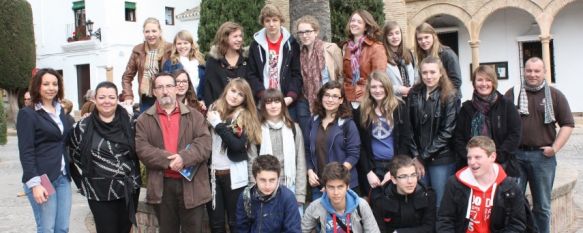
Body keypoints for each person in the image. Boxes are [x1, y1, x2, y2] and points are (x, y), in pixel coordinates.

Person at [504, 57, 574, 233]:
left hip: (543, 158)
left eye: (537, 71)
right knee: (513, 203)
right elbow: (501, 122)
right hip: (516, 157)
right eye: (529, 70)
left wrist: (555, 148)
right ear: (524, 71)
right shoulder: (513, 94)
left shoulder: (555, 95)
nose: (532, 74)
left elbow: (567, 124)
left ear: (544, 72)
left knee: (542, 206)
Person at [135, 72, 212, 233]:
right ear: (154, 91)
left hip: (192, 185)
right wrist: (169, 160)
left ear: (176, 89)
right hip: (162, 186)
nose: (165, 91)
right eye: (160, 87)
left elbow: (205, 144)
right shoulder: (144, 119)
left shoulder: (195, 116)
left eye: (169, 86)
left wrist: (183, 158)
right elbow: (142, 149)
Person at [68, 81, 141, 233]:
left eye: (111, 97)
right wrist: (97, 171)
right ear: (94, 99)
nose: (107, 101)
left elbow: (137, 154)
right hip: (98, 190)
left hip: (128, 189)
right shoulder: (82, 127)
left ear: (117, 99)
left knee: (125, 229)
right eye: (102, 97)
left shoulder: (131, 123)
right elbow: (74, 154)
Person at [17, 68, 73, 233]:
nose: (51, 88)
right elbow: (26, 151)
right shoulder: (28, 114)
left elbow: (64, 140)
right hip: (42, 179)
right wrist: (34, 184)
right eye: (46, 84)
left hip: (63, 177)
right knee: (47, 228)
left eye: (55, 84)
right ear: (37, 86)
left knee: (62, 228)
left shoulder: (60, 111)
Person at [437, 136, 527, 232]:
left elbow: (517, 225)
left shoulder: (510, 187)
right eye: (469, 158)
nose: (472, 162)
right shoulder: (455, 183)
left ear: (492, 157)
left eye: (477, 157)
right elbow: (445, 220)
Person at [206, 78, 261, 233]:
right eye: (233, 91)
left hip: (234, 175)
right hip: (213, 174)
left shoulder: (242, 116)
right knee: (216, 223)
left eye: (241, 94)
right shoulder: (214, 109)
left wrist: (218, 124)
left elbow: (236, 145)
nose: (235, 96)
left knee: (235, 222)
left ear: (245, 98)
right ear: (226, 90)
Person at [408, 56, 459, 208]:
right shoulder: (414, 93)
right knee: (421, 202)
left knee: (440, 203)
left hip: (441, 159)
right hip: (418, 158)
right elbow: (408, 127)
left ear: (441, 73)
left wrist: (422, 157)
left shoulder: (449, 95)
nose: (428, 76)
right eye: (425, 73)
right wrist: (416, 156)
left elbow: (447, 131)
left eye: (432, 72)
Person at [354, 71, 416, 195]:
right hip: (373, 166)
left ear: (387, 87)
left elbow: (405, 140)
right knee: (375, 205)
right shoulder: (361, 111)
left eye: (381, 86)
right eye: (374, 87)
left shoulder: (399, 108)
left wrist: (394, 170)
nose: (378, 90)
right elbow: (359, 145)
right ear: (369, 89)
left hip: (395, 164)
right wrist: (368, 172)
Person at [246, 4, 305, 130]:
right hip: (264, 101)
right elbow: (251, 74)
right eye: (267, 20)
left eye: (275, 20)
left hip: (287, 101)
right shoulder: (255, 45)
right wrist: (262, 94)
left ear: (281, 21)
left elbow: (296, 73)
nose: (271, 24)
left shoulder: (291, 43)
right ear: (263, 22)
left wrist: (291, 96)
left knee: (291, 135)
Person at [454, 65, 521, 176]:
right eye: (479, 80)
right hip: (471, 167)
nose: (484, 84)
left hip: (502, 166)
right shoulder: (466, 108)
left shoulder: (506, 105)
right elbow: (458, 138)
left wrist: (495, 157)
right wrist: (471, 158)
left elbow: (515, 134)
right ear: (474, 83)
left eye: (488, 80)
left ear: (493, 82)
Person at [306, 81, 361, 200]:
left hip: (342, 186)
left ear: (341, 100)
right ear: (321, 97)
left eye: (335, 96)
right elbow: (307, 150)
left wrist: (334, 180)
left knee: (344, 219)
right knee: (321, 219)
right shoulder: (313, 121)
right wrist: (310, 172)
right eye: (327, 95)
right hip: (318, 185)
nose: (330, 99)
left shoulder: (347, 124)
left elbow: (353, 155)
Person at [258, 89, 307, 206]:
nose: (273, 106)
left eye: (276, 101)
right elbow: (252, 163)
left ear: (282, 104)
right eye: (268, 102)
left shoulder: (294, 128)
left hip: (291, 185)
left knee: (293, 224)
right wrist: (254, 189)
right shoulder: (257, 130)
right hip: (265, 186)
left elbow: (300, 162)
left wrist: (300, 194)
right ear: (263, 106)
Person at [302, 162, 380, 233]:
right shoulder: (315, 207)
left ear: (348, 186)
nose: (336, 193)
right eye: (331, 187)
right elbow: (302, 230)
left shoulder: (361, 205)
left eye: (340, 187)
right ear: (325, 188)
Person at [235, 155, 301, 233]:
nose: (267, 186)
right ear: (255, 178)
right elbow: (241, 228)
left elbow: (293, 230)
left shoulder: (288, 198)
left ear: (278, 178)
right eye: (263, 180)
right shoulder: (246, 197)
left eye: (272, 180)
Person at [295, 15, 343, 122]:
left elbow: (341, 75)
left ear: (316, 32)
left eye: (308, 31)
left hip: (329, 101)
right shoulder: (299, 54)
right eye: (301, 32)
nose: (304, 35)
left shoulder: (331, 49)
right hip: (307, 101)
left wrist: (336, 97)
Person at [370, 155, 436, 233]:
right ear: (394, 179)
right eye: (404, 176)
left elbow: (429, 228)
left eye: (413, 175)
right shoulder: (381, 200)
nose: (410, 181)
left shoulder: (427, 195)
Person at [122, 17, 171, 112]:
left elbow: (178, 74)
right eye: (147, 31)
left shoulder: (170, 49)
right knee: (147, 126)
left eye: (154, 31)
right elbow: (127, 76)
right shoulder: (137, 50)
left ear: (160, 32)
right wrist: (128, 96)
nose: (150, 35)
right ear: (143, 33)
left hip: (166, 96)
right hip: (146, 100)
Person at [342, 9, 387, 109]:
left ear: (366, 27)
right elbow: (343, 75)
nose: (354, 24)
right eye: (352, 21)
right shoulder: (346, 47)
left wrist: (368, 95)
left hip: (367, 98)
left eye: (359, 22)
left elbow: (379, 77)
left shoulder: (376, 47)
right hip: (347, 98)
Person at [204, 21, 248, 106]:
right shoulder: (213, 61)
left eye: (240, 36)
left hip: (243, 111)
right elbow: (208, 89)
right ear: (225, 38)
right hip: (220, 111)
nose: (239, 39)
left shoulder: (247, 59)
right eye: (235, 36)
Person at [162, 30, 206, 106]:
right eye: (179, 43)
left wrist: (203, 100)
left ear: (191, 44)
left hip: (198, 104)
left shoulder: (200, 63)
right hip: (178, 104)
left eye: (185, 43)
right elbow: (165, 86)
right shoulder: (170, 64)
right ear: (175, 46)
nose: (182, 46)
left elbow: (205, 86)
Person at [415, 22, 461, 94]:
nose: (423, 41)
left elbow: (456, 81)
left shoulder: (448, 54)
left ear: (433, 36)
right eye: (419, 39)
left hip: (447, 99)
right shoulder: (422, 56)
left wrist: (441, 98)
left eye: (426, 37)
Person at [382, 21, 417, 98]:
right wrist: (400, 90)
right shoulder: (382, 56)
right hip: (393, 100)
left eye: (397, 33)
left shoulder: (409, 53)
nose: (395, 37)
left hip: (412, 98)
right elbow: (381, 83)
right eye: (390, 34)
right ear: (385, 37)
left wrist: (413, 88)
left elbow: (416, 75)